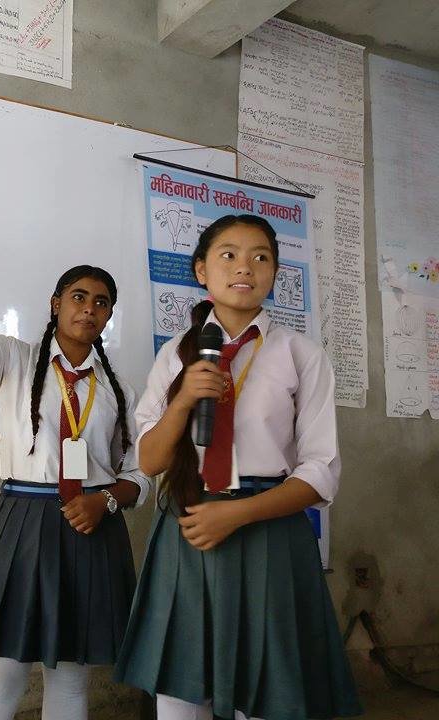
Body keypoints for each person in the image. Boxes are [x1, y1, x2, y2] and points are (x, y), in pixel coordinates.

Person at [114, 214, 362, 720]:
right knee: (180, 691)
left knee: (268, 691)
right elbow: (150, 460)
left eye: (260, 257)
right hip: (188, 527)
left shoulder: (301, 353)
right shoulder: (175, 355)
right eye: (228, 255)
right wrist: (184, 400)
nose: (244, 267)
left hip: (268, 528)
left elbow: (320, 471)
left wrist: (238, 513)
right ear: (201, 270)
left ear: (274, 273)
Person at [0, 207, 152, 719]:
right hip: (22, 523)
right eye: (79, 297)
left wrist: (107, 501)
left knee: (71, 684)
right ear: (56, 303)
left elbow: (141, 472)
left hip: (91, 527)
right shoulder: (14, 360)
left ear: (109, 316)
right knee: (0, 680)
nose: (89, 309)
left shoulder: (121, 391)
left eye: (102, 302)